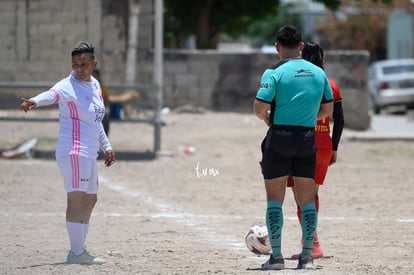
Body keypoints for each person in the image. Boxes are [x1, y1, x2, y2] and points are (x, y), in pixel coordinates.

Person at [20, 41, 115, 265]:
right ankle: (77, 251)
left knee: (90, 199)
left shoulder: (95, 86)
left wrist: (107, 146)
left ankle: (79, 250)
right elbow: (50, 95)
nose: (79, 69)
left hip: (90, 152)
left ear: (94, 64)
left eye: (83, 64)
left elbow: (96, 120)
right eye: (75, 64)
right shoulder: (67, 85)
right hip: (74, 150)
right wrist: (35, 101)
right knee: (76, 199)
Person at [253, 25, 333, 270]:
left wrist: (268, 118)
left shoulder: (273, 72)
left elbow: (258, 107)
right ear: (301, 46)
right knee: (307, 200)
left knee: (274, 200)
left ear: (277, 46)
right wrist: (308, 117)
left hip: (279, 138)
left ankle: (276, 257)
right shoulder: (319, 73)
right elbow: (328, 111)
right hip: (307, 139)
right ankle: (307, 257)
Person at [288, 42, 345, 260]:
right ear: (322, 60)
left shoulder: (298, 81)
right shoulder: (331, 84)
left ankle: (312, 245)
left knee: (301, 196)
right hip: (323, 142)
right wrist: (334, 147)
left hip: (302, 140)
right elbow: (339, 120)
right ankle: (311, 243)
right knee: (312, 194)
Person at [92, 69, 110, 135]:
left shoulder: (102, 88)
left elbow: (106, 101)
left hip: (100, 110)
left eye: (94, 76)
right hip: (89, 110)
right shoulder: (86, 87)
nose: (93, 78)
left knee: (105, 118)